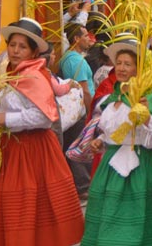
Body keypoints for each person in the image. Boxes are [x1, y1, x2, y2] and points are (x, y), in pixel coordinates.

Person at [0, 17, 84, 245]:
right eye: (12, 45)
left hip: (33, 151)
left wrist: (7, 119)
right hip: (11, 149)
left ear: (33, 52)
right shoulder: (12, 74)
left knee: (29, 201)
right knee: (6, 201)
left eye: (22, 46)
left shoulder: (33, 76)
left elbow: (44, 118)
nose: (15, 50)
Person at [81, 37, 152, 245]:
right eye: (119, 63)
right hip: (111, 167)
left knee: (135, 226)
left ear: (138, 68)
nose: (122, 68)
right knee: (109, 223)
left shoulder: (146, 98)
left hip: (140, 169)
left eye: (128, 64)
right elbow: (113, 130)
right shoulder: (113, 98)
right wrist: (101, 140)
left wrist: (144, 120)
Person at [58, 23, 94, 199]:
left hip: (71, 112)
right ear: (76, 39)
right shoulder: (75, 60)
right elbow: (85, 89)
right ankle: (83, 186)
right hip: (79, 110)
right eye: (85, 35)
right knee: (80, 146)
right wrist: (90, 112)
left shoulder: (67, 58)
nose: (89, 38)